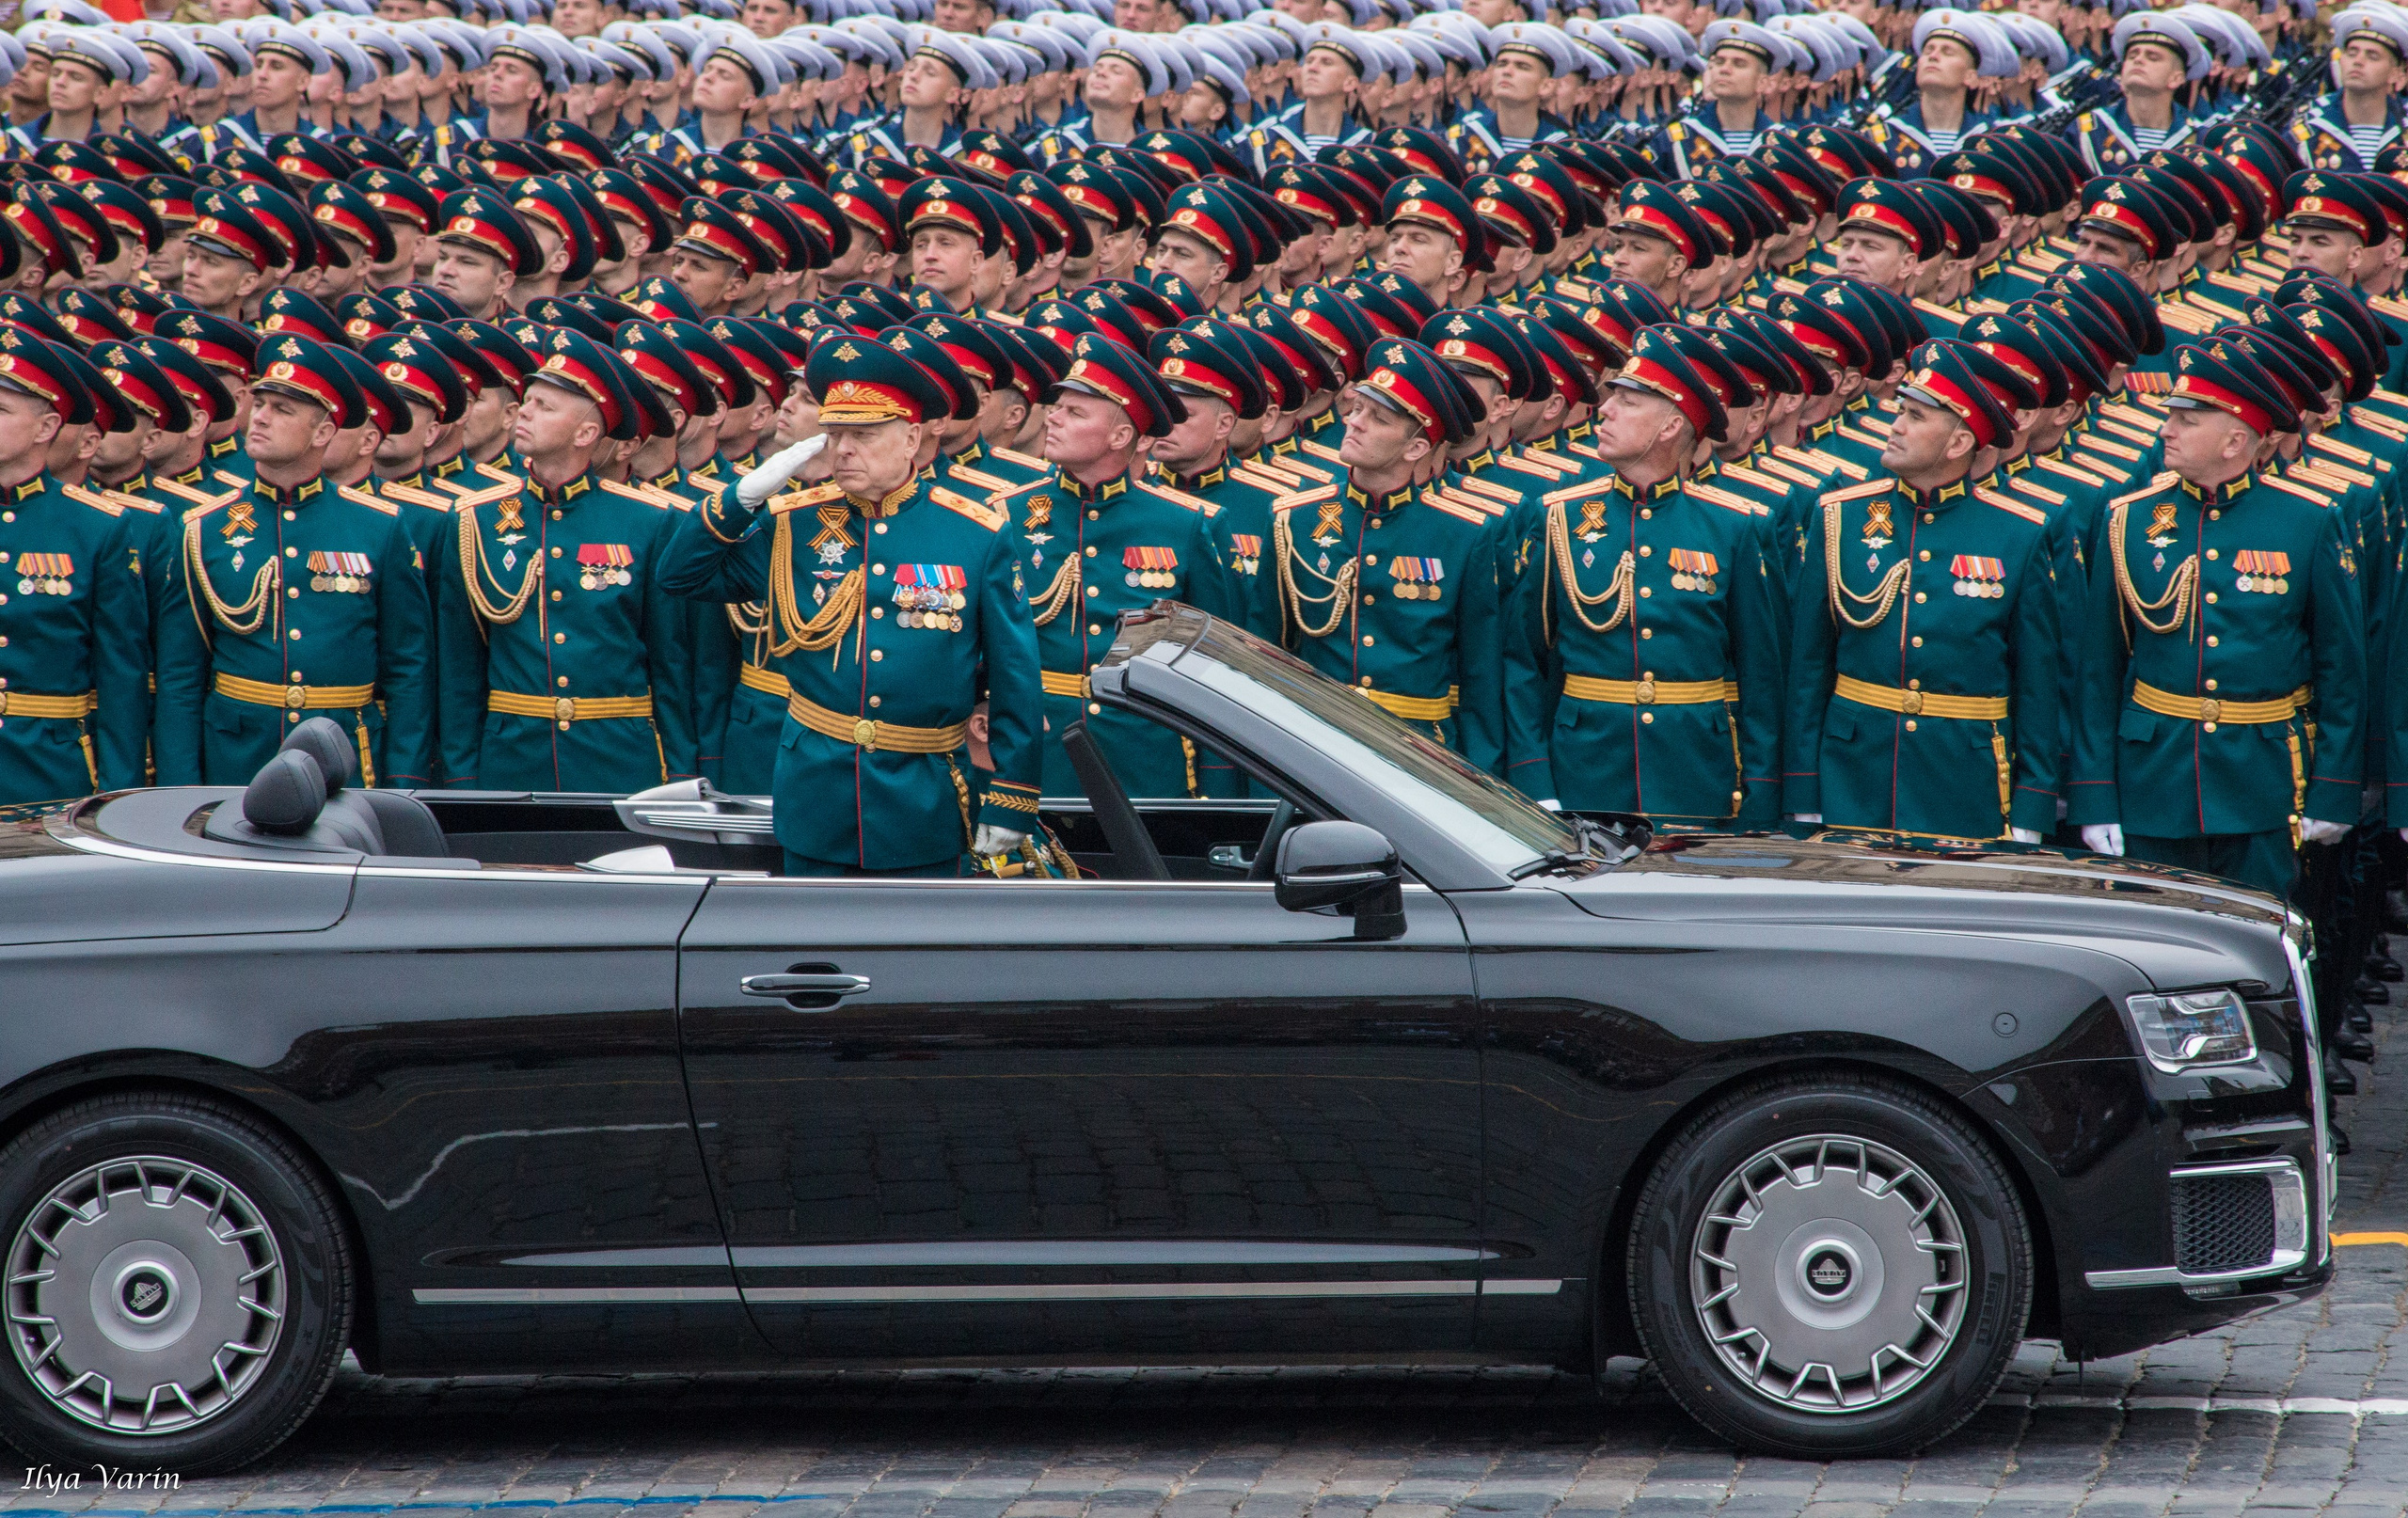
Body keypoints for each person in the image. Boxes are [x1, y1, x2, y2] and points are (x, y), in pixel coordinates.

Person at [657, 332, 1043, 877]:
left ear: (911, 438)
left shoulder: (975, 533)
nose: (843, 450)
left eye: (862, 435)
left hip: (923, 793)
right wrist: (738, 499)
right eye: (835, 434)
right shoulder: (793, 522)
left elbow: (1015, 674)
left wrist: (1013, 793)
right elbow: (681, 576)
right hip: (817, 790)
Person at [2072, 340, 2363, 895]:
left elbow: (2342, 671)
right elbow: (2098, 672)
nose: (2166, 432)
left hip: (2264, 780)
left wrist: (2333, 788)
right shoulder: (2127, 521)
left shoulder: (2307, 522)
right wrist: (2094, 795)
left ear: (2235, 440)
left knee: (2256, 950)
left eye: (2186, 421)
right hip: (2152, 779)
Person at [1785, 339, 2062, 842]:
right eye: (1901, 411)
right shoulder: (1840, 516)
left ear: (1958, 443)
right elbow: (1809, 667)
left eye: (1915, 416)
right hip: (1851, 773)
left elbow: (2037, 685)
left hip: (1964, 778)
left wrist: (2033, 806)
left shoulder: (2019, 533)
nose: (1895, 425)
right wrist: (1802, 790)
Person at [1507, 324, 1783, 827]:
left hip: (1695, 772)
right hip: (1584, 769)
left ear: (1671, 427)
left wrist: (1759, 792)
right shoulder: (1556, 516)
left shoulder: (1735, 526)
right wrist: (1535, 781)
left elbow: (1760, 676)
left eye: (1628, 402)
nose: (1605, 410)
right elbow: (1524, 661)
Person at [155, 333, 435, 789]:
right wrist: (179, 786)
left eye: (282, 410)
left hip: (343, 756)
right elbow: (181, 675)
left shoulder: (380, 526)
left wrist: (404, 779)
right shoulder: (202, 527)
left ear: (323, 432)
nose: (259, 419)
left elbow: (407, 667)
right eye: (260, 404)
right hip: (237, 757)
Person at [436, 328, 696, 793]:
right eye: (527, 400)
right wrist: (462, 775)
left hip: (618, 756)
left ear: (587, 433)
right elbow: (460, 668)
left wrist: (678, 773)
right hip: (512, 754)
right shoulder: (474, 519)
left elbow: (671, 663)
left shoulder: (651, 522)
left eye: (545, 406)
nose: (525, 412)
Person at [997, 332, 1244, 798]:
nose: (1053, 418)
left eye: (1075, 412)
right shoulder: (1005, 516)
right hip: (1037, 752)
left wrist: (1219, 789)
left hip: (1144, 757)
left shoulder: (1188, 525)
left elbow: (1217, 670)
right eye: (1058, 407)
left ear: (1121, 435)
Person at [0, 329, 151, 811]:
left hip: (49, 765)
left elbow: (120, 675)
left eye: (2, 411)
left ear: (46, 428)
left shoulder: (95, 528)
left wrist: (116, 796)